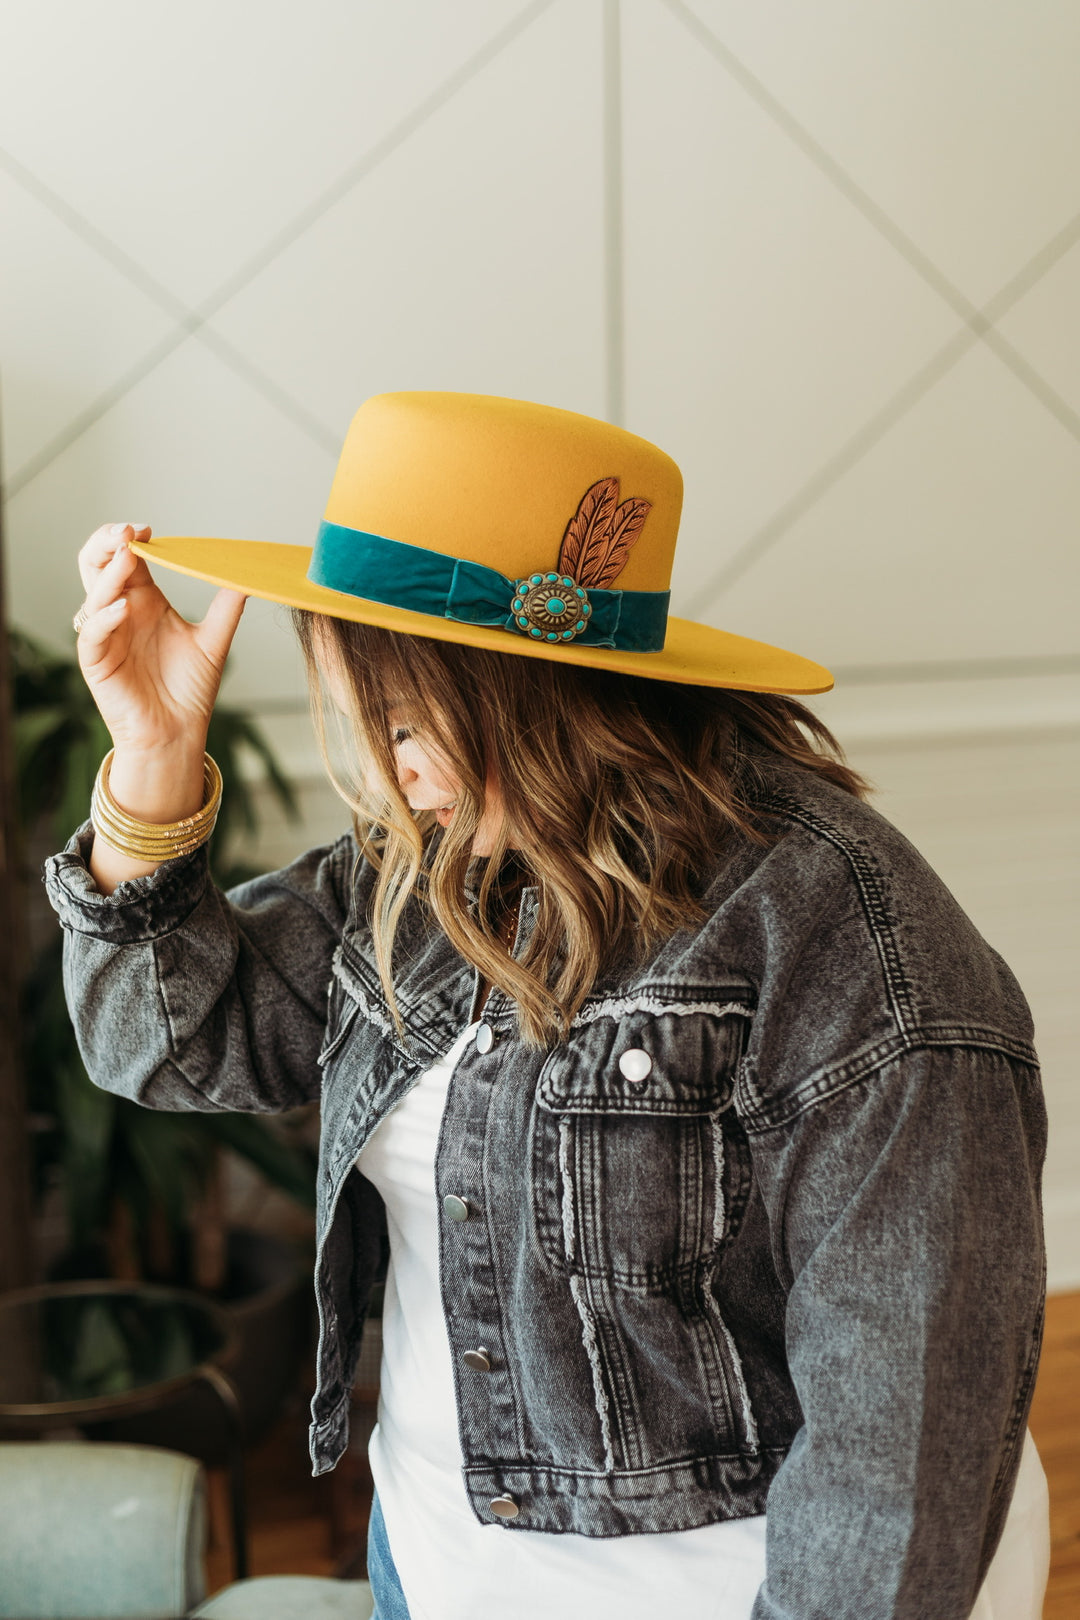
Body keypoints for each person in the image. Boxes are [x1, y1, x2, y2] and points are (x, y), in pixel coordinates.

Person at [47, 393, 1049, 1620]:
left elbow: (904, 1438)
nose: (386, 769)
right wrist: (151, 763)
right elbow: (161, 1041)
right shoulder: (427, 860)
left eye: (412, 718)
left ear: (537, 688)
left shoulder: (851, 938)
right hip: (431, 1571)